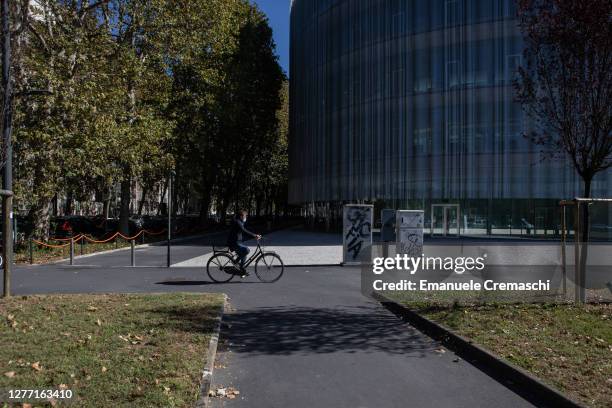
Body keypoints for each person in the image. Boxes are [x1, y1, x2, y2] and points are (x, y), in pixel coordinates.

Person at [227, 210, 261, 277]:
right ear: (241, 216)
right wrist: (254, 235)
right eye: (245, 216)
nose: (246, 217)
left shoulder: (240, 222)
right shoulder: (238, 222)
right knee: (246, 250)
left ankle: (237, 265)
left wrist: (255, 234)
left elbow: (245, 229)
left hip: (237, 242)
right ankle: (240, 268)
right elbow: (244, 231)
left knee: (244, 252)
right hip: (234, 243)